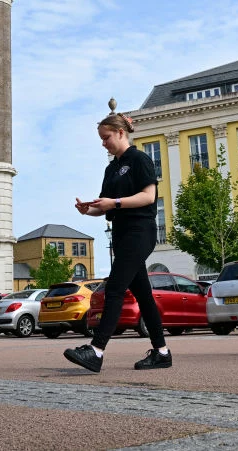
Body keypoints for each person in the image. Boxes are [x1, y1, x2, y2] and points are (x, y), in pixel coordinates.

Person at [63, 111, 171, 373]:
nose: (103, 143)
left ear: (121, 133)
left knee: (114, 289)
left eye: (106, 137)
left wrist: (117, 203)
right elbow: (105, 204)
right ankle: (162, 352)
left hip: (140, 231)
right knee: (144, 296)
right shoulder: (111, 167)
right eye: (101, 139)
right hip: (121, 233)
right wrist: (88, 210)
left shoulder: (140, 159)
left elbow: (148, 197)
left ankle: (96, 350)